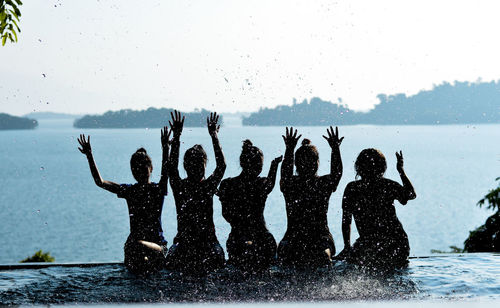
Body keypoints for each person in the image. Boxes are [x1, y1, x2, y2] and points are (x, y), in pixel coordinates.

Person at [77, 127, 171, 273]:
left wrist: (166, 148)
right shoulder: (130, 191)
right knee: (134, 255)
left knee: (135, 246)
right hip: (135, 248)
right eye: (136, 169)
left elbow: (166, 170)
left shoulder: (158, 189)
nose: (140, 171)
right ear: (132, 171)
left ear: (151, 168)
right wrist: (89, 155)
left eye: (143, 167)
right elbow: (100, 182)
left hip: (158, 248)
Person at [166, 110, 226, 273]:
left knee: (217, 257)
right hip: (190, 245)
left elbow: (221, 167)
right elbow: (221, 166)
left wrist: (214, 137)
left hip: (200, 244)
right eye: (193, 165)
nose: (196, 169)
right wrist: (213, 136)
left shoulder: (200, 187)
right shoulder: (194, 187)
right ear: (186, 166)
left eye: (199, 165)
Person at [338, 149, 417, 268]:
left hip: (371, 244)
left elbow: (346, 220)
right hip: (397, 242)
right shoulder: (388, 185)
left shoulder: (352, 188)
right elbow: (411, 195)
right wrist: (401, 171)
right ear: (382, 168)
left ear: (358, 167)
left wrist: (347, 246)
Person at [278, 126, 343, 267]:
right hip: (299, 238)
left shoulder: (315, 183)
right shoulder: (296, 184)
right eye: (304, 162)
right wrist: (335, 148)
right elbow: (337, 173)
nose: (307, 165)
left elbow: (285, 173)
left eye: (310, 161)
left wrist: (289, 149)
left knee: (321, 255)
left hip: (316, 238)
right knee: (317, 255)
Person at [217, 140, 283, 271]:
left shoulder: (228, 184)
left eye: (260, 165)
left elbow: (227, 215)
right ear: (243, 164)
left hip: (241, 237)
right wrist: (274, 165)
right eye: (257, 165)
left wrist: (225, 200)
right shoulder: (259, 184)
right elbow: (270, 182)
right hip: (256, 237)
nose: (258, 169)